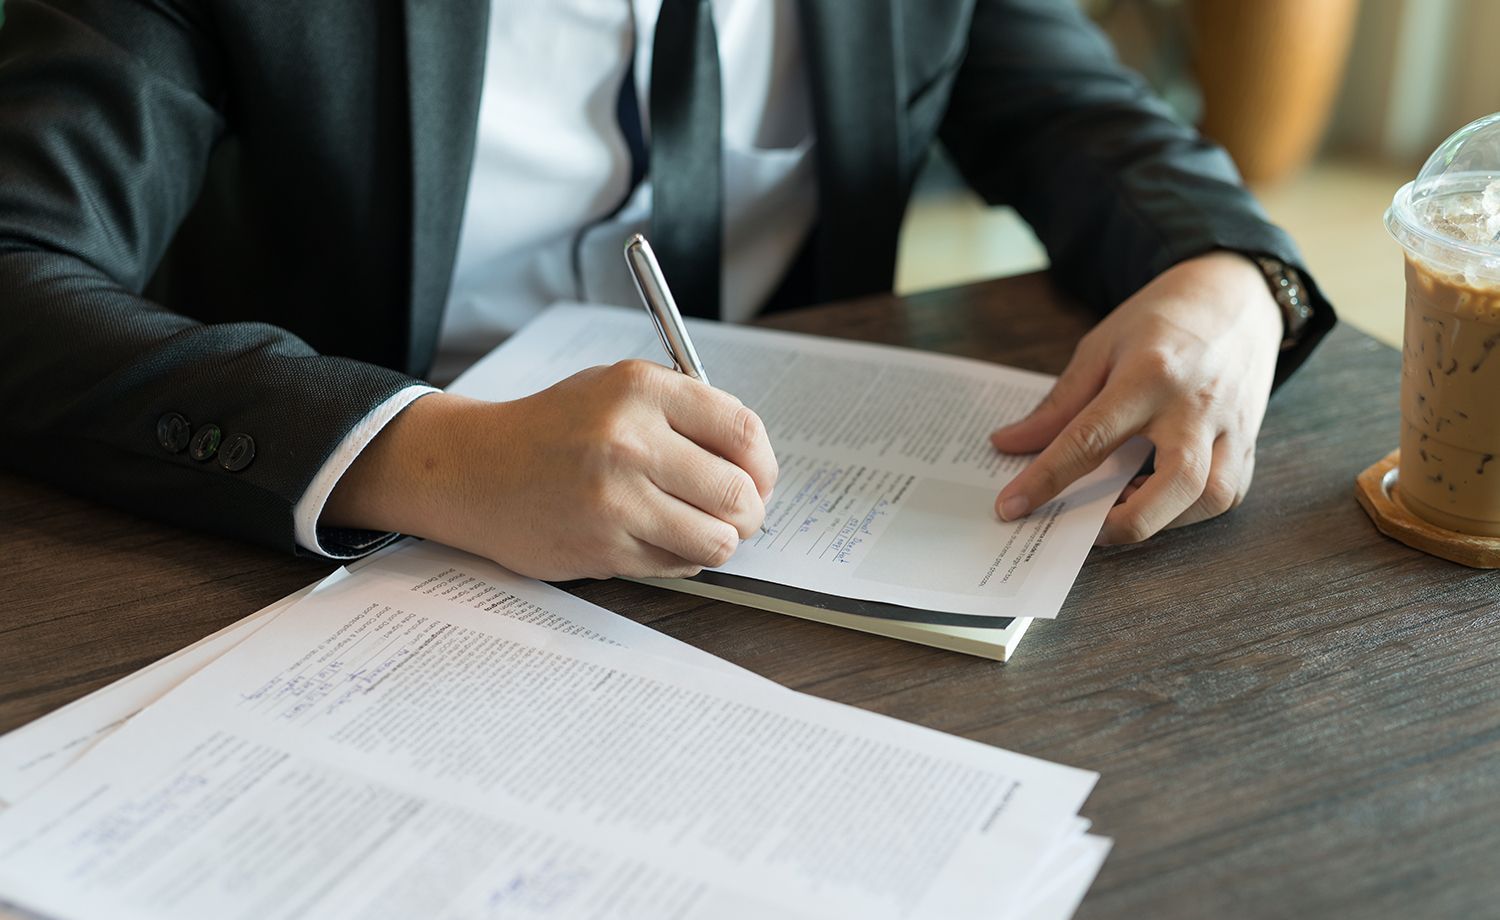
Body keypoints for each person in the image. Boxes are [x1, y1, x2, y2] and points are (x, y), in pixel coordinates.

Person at [0, 0, 1333, 582]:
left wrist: (1235, 280)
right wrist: (423, 455)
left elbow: (1087, 118)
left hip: (804, 554)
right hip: (356, 557)